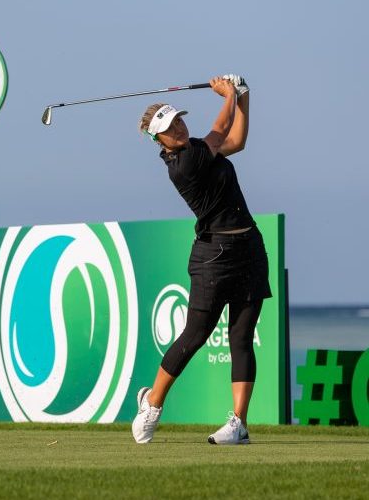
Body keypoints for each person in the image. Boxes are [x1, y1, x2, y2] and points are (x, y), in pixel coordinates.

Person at [131, 75, 271, 445]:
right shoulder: (184, 162)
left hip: (249, 247)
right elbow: (221, 128)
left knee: (241, 337)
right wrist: (227, 96)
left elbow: (235, 141)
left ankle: (239, 425)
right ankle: (153, 404)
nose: (178, 128)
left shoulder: (197, 147)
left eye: (178, 120)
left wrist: (243, 96)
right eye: (169, 127)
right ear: (158, 139)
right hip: (214, 255)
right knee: (195, 335)